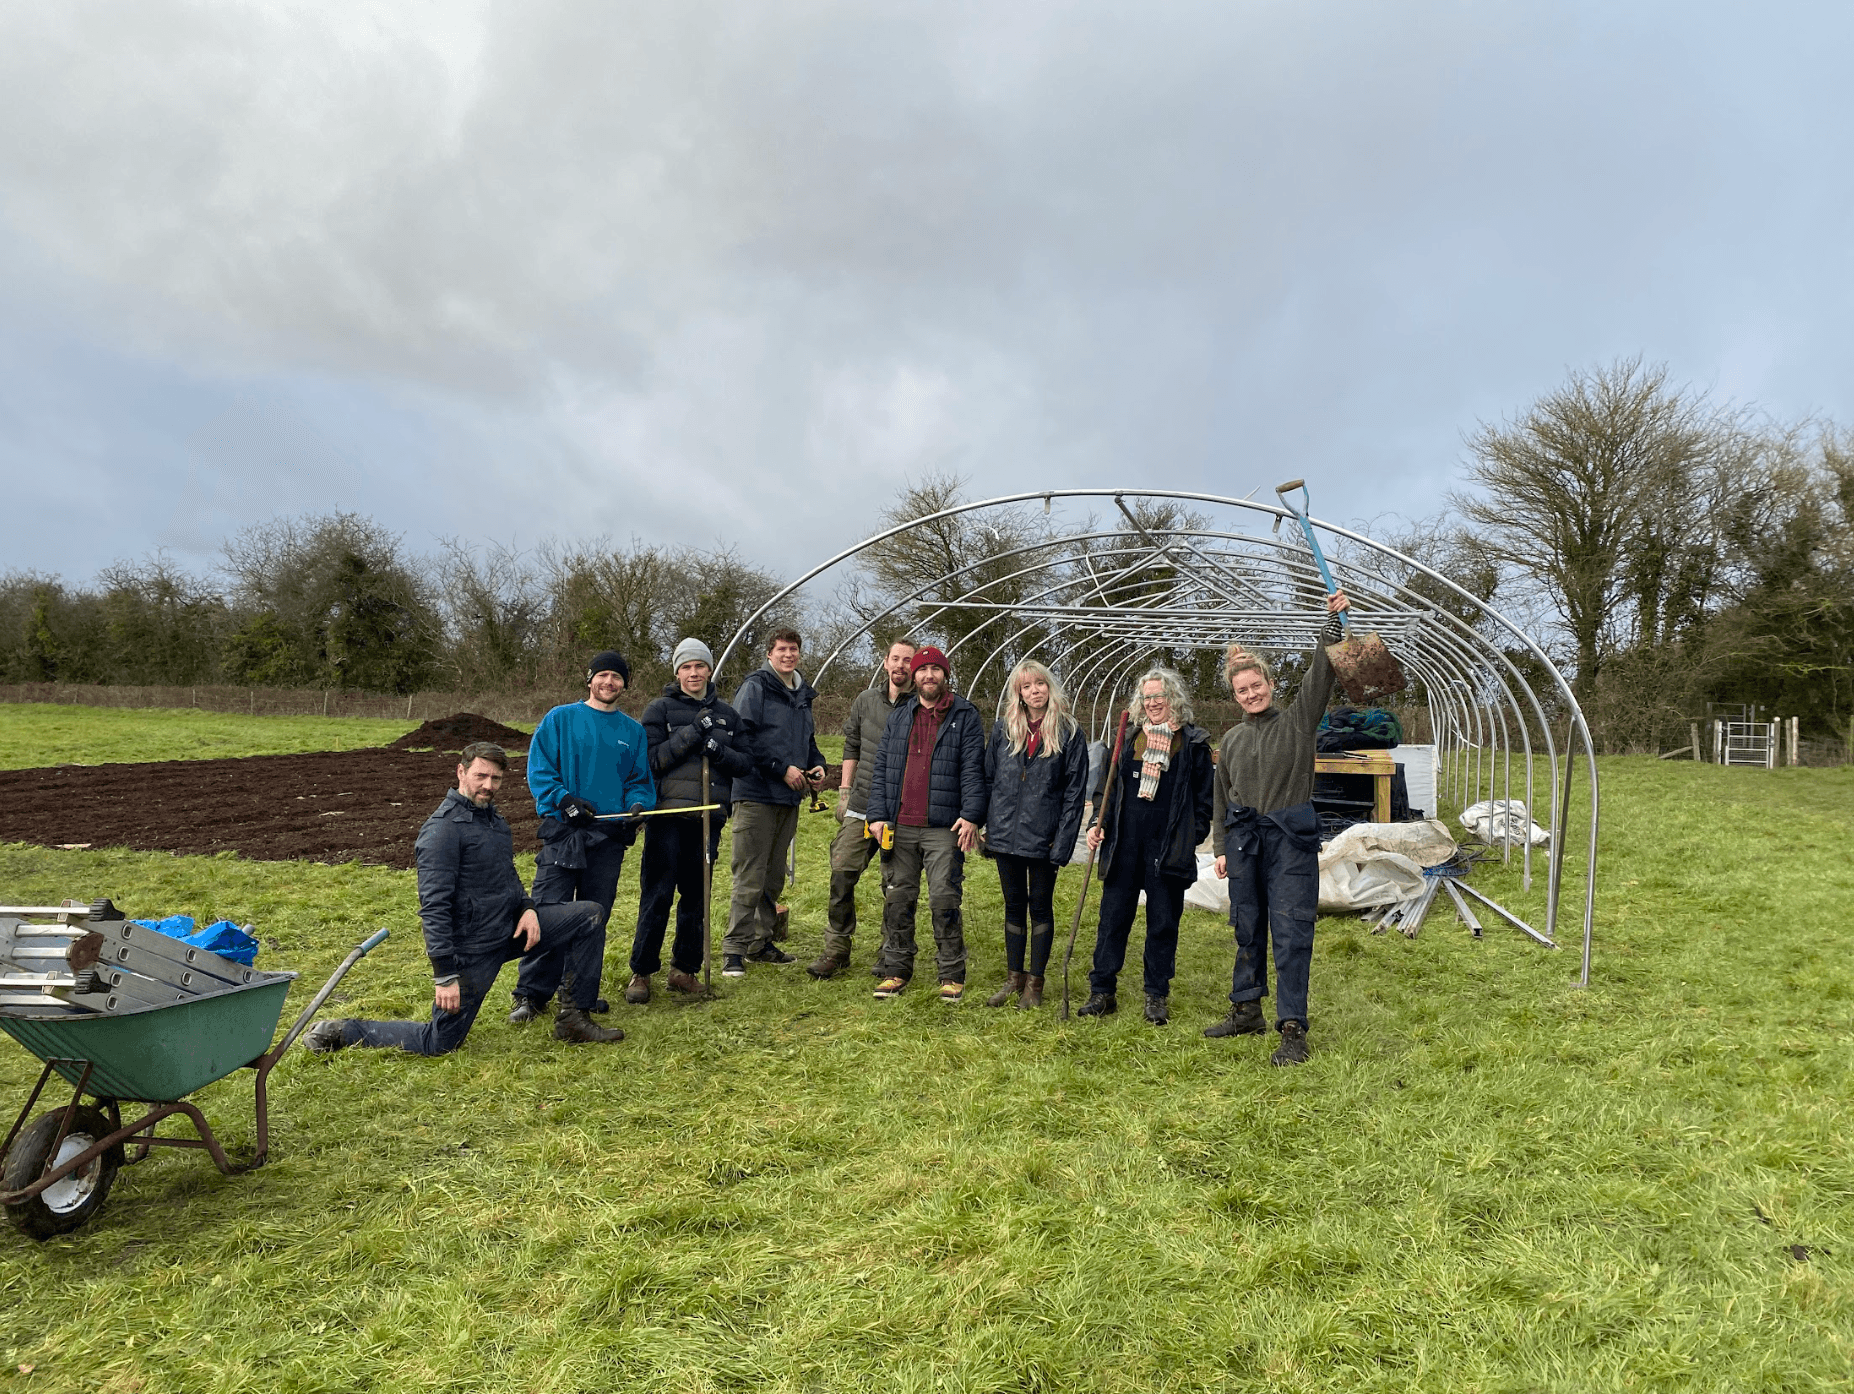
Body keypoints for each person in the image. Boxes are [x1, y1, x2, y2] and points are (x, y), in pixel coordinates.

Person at [303, 742, 624, 1054]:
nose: (488, 785)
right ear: (461, 772)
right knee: (439, 1041)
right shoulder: (442, 831)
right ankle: (342, 1031)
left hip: (510, 929)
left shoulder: (494, 821)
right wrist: (444, 975)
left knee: (590, 914)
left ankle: (573, 1018)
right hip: (474, 949)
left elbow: (508, 876)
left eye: (495, 778)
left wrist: (527, 907)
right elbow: (434, 908)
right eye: (481, 776)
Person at [1206, 590, 1349, 1064]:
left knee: (1290, 931)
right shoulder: (1231, 741)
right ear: (1235, 696)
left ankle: (1292, 1027)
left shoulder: (1298, 723)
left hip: (1289, 841)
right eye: (1242, 690)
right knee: (1247, 925)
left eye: (1257, 685)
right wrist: (1222, 846)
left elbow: (1321, 673)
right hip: (1246, 843)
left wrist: (1331, 627)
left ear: (1269, 683)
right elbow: (1222, 799)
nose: (1251, 694)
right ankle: (1246, 1009)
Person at [509, 649, 657, 1024]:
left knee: (595, 916)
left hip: (607, 839)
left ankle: (579, 997)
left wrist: (637, 807)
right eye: (603, 675)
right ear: (589, 679)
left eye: (618, 677)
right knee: (548, 911)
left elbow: (639, 781)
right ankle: (531, 995)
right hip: (565, 834)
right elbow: (540, 768)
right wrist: (564, 800)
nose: (610, 683)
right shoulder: (561, 719)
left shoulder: (632, 731)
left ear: (625, 685)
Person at [1080, 667, 1214, 1026]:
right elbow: (1106, 791)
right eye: (1147, 697)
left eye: (1160, 696)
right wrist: (1098, 824)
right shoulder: (1128, 739)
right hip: (1125, 844)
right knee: (1112, 920)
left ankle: (1156, 995)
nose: (1153, 703)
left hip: (1167, 848)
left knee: (1163, 923)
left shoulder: (1192, 744)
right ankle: (1102, 991)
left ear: (1174, 700)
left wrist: (1190, 837)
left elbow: (1205, 801)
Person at [627, 638, 757, 1003]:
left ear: (709, 669)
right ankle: (642, 971)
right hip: (667, 817)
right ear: (677, 671)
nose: (694, 672)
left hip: (707, 818)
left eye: (700, 665)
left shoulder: (728, 716)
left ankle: (684, 969)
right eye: (687, 666)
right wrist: (692, 733)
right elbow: (652, 760)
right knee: (657, 895)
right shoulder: (660, 710)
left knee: (696, 899)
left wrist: (716, 748)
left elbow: (745, 763)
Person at [866, 646, 988, 1001]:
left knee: (944, 898)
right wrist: (876, 815)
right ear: (915, 677)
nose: (928, 676)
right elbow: (882, 770)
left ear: (945, 675)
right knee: (898, 898)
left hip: (943, 827)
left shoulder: (964, 715)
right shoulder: (901, 715)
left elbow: (973, 771)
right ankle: (895, 970)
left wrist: (972, 815)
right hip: (899, 824)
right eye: (922, 670)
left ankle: (950, 972)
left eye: (936, 669)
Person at [981, 659, 1089, 1009]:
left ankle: (1036, 984)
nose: (1034, 691)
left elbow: (1075, 792)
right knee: (1013, 906)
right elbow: (989, 778)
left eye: (1039, 684)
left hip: (1043, 835)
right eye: (1026, 687)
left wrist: (1064, 838)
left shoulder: (1069, 732)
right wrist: (985, 824)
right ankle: (1014, 978)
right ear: (1019, 693)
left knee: (1040, 907)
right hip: (1005, 832)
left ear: (1049, 687)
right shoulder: (1003, 729)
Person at [721, 627, 828, 978]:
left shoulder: (801, 694)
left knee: (773, 875)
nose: (788, 655)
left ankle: (760, 942)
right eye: (781, 649)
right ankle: (734, 949)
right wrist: (781, 769)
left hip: (789, 797)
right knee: (750, 873)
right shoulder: (756, 687)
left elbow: (807, 740)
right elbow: (743, 737)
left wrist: (817, 765)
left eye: (793, 649)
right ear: (769, 654)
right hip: (756, 793)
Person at [809, 637, 916, 979]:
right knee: (842, 873)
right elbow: (852, 745)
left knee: (896, 884)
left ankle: (892, 951)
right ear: (885, 662)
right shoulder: (866, 701)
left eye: (907, 661)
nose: (900, 666)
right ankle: (837, 948)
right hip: (862, 804)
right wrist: (844, 792)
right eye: (895, 659)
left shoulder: (923, 706)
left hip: (901, 809)